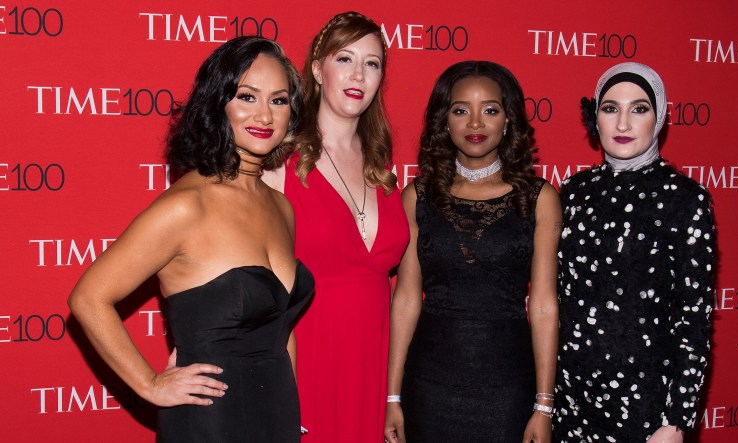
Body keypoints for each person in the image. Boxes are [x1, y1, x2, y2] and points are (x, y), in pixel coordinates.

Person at [68, 36, 312, 442]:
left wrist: (291, 411)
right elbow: (88, 298)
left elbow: (280, 328)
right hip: (209, 421)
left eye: (279, 100)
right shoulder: (186, 206)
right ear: (218, 104)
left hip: (278, 412)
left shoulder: (281, 206)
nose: (265, 115)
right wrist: (149, 383)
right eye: (247, 96)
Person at [384, 61, 561, 443]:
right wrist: (393, 396)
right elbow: (406, 299)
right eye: (461, 110)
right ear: (444, 121)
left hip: (508, 387)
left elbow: (544, 305)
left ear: (508, 120)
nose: (475, 123)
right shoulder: (418, 197)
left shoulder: (539, 199)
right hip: (429, 385)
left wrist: (543, 405)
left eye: (490, 110)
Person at [261, 11, 409, 442]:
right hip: (306, 357)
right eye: (344, 58)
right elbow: (246, 276)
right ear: (316, 69)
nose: (358, 74)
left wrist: (393, 397)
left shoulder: (383, 167)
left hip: (374, 365)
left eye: (373, 62)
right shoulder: (278, 162)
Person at [553, 62, 716, 442]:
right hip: (570, 400)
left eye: (639, 109)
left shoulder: (685, 199)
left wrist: (676, 421)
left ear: (659, 118)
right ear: (595, 118)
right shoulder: (573, 193)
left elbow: (693, 320)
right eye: (611, 109)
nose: (623, 124)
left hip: (645, 407)